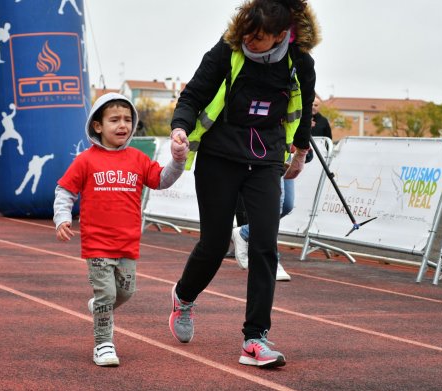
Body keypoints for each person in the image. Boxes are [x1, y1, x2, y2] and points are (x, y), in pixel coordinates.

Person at [168, 0, 319, 368]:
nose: (251, 42)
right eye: (247, 34)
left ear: (282, 36)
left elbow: (303, 112)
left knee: (266, 245)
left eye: (260, 38)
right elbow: (193, 95)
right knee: (215, 242)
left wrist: (299, 154)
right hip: (219, 154)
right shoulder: (228, 50)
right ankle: (184, 298)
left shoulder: (300, 62)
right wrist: (179, 129)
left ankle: (255, 339)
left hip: (266, 157)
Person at [53, 93, 188, 367]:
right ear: (98, 126)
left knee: (125, 293)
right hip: (97, 243)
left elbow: (162, 180)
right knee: (107, 294)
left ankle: (100, 309)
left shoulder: (138, 159)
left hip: (127, 243)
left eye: (127, 119)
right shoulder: (85, 160)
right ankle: (103, 344)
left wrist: (177, 160)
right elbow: (65, 190)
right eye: (114, 119)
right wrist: (62, 217)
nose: (122, 125)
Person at [231, 174, 293, 281]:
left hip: (288, 160)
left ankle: (244, 232)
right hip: (269, 161)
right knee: (277, 205)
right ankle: (272, 261)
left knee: (287, 205)